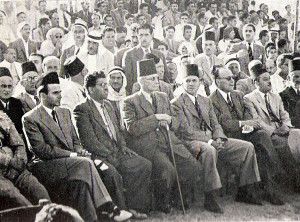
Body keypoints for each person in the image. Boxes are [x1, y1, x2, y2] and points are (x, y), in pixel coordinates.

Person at [22, 71, 132, 222]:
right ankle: (109, 208)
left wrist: (79, 151)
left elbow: (75, 141)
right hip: (46, 166)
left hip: (71, 164)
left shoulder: (64, 112)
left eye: (60, 92)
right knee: (85, 163)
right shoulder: (30, 118)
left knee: (81, 183)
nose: (60, 96)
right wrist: (73, 155)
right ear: (43, 95)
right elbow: (42, 151)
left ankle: (92, 219)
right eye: (55, 93)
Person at [171, 64, 262, 214]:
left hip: (213, 139)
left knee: (247, 147)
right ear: (182, 83)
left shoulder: (205, 100)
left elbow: (215, 123)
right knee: (209, 150)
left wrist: (219, 137)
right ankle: (210, 197)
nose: (191, 84)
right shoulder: (176, 103)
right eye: (187, 81)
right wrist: (210, 140)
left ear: (200, 82)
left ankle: (245, 191)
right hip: (191, 143)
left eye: (194, 80)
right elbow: (186, 131)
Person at [122, 59, 198, 213]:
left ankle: (178, 198)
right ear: (141, 81)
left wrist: (169, 121)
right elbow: (132, 128)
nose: (156, 81)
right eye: (151, 79)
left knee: (193, 166)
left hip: (169, 141)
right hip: (150, 146)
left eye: (156, 78)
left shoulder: (163, 96)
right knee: (167, 170)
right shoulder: (130, 102)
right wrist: (156, 118)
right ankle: (163, 202)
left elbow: (176, 121)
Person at [73, 71, 151, 218]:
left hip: (116, 152)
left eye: (106, 85)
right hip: (98, 156)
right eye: (101, 85)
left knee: (144, 165)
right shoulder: (82, 109)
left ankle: (135, 207)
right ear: (90, 89)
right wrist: (109, 155)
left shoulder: (108, 105)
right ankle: (121, 212)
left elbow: (117, 131)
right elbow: (89, 142)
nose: (106, 88)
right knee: (112, 174)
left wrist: (123, 147)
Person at [210, 66, 284, 205]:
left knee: (262, 136)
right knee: (257, 150)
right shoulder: (212, 100)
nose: (232, 80)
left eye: (232, 77)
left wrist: (248, 124)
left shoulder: (237, 94)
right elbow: (223, 124)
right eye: (228, 78)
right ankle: (251, 191)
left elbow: (246, 113)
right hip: (228, 137)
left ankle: (268, 189)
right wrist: (244, 122)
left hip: (244, 133)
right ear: (217, 82)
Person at [243, 63, 300, 192]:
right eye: (265, 79)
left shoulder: (275, 96)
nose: (269, 82)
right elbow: (256, 120)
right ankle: (293, 180)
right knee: (283, 144)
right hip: (268, 132)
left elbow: (284, 114)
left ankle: (296, 178)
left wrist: (286, 126)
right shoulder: (249, 98)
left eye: (269, 78)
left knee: (298, 135)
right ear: (255, 82)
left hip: (282, 129)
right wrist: (274, 131)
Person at [0, 109, 50, 210]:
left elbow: (19, 143)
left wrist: (19, 160)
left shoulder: (1, 116)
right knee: (15, 197)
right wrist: (10, 161)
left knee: (39, 191)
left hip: (15, 167)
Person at [122, 24, 167, 94]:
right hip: (138, 94)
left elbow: (165, 77)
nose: (143, 38)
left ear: (152, 35)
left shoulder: (159, 54)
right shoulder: (129, 55)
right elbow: (128, 80)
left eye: (146, 35)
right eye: (141, 35)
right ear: (137, 35)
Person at [0, 67, 24, 135]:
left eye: (9, 86)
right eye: (3, 86)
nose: (7, 90)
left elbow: (21, 128)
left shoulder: (17, 103)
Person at [280, 58, 300, 128]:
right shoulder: (282, 96)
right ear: (288, 78)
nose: (299, 80)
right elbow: (288, 119)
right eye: (296, 77)